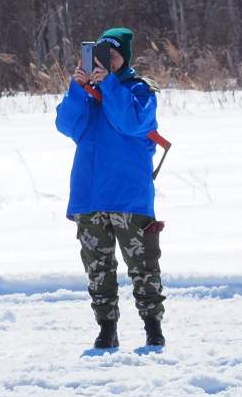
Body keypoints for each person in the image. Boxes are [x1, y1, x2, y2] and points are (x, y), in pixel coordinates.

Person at [55, 27, 167, 350]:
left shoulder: (140, 91)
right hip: (89, 196)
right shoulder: (89, 94)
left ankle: (153, 327)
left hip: (129, 196)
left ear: (125, 58)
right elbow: (66, 125)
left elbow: (130, 123)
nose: (107, 61)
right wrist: (78, 89)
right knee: (97, 268)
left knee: (143, 267)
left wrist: (109, 85)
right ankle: (107, 328)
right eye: (101, 55)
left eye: (113, 55)